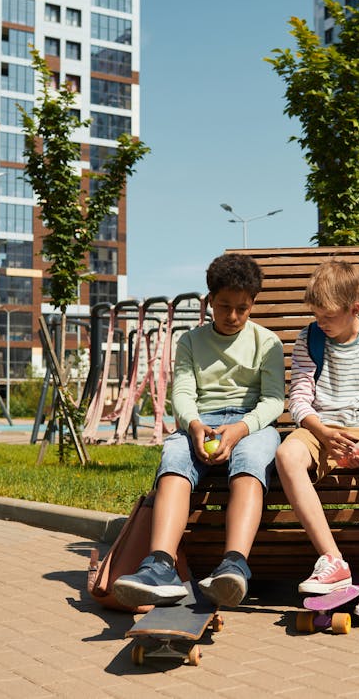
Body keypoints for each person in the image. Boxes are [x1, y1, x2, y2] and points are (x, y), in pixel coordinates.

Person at [111, 253, 285, 609]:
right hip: (201, 422)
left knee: (252, 458)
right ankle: (160, 564)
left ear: (253, 303)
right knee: (173, 454)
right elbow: (183, 394)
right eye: (224, 306)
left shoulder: (268, 343)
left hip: (251, 423)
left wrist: (239, 430)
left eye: (242, 308)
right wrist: (193, 426)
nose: (233, 316)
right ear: (208, 302)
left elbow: (273, 402)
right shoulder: (190, 342)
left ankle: (234, 564)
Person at [275, 260, 359, 626]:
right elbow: (300, 397)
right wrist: (319, 430)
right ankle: (333, 561)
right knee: (287, 454)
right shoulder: (309, 338)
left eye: (328, 316)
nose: (321, 322)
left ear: (355, 308)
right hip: (324, 427)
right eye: (317, 314)